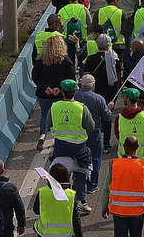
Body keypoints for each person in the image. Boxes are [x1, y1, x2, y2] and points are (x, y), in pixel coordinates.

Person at [48, 78, 99, 213]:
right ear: (75, 91)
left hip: (60, 146)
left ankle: (57, 198)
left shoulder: (54, 107)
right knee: (82, 169)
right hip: (79, 147)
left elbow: (48, 124)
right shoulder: (81, 108)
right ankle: (82, 201)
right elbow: (91, 126)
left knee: (58, 171)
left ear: (62, 92)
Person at [98, 134, 144, 237]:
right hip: (137, 212)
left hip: (118, 211)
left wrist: (104, 206)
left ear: (124, 146)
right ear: (137, 147)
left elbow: (106, 188)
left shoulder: (114, 165)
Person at [35, 33, 78, 149]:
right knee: (59, 117)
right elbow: (71, 76)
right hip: (60, 94)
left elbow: (35, 76)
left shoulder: (41, 60)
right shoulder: (65, 60)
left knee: (44, 114)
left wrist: (46, 88)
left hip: (44, 94)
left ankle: (43, 134)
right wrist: (59, 88)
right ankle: (58, 139)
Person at [32, 163, 81, 237]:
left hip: (44, 234)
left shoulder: (42, 192)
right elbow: (76, 219)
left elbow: (36, 211)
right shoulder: (71, 195)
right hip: (66, 235)